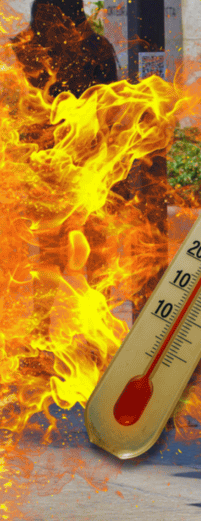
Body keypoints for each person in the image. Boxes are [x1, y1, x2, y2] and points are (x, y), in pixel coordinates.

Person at [11, 0, 119, 333]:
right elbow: (17, 106)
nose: (47, 19)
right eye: (41, 12)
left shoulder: (97, 49)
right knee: (48, 254)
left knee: (98, 254)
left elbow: (110, 107)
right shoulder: (25, 48)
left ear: (70, 13)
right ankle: (40, 333)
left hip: (92, 164)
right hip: (46, 167)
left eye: (53, 11)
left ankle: (98, 335)